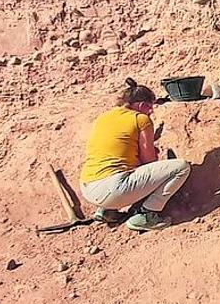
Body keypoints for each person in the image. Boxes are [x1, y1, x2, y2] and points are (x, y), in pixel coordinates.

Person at [79, 78, 191, 233]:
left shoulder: (103, 117)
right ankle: (146, 215)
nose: (151, 111)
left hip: (88, 188)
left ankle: (107, 211)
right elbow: (149, 161)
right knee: (181, 167)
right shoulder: (141, 119)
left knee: (121, 169)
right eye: (149, 107)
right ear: (140, 105)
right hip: (113, 189)